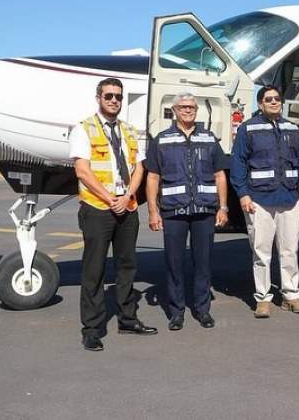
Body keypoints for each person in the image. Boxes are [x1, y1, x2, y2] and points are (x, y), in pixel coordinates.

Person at [70, 77, 157, 352]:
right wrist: (110, 199)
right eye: (108, 96)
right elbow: (82, 171)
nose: (114, 101)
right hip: (98, 209)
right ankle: (92, 329)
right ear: (98, 98)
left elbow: (139, 168)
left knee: (127, 266)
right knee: (94, 270)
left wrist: (129, 196)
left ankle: (128, 319)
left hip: (127, 208)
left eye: (118, 96)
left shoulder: (129, 131)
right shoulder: (83, 129)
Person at [145, 93, 229, 331]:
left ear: (197, 110)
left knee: (203, 263)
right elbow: (153, 177)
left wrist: (223, 207)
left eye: (192, 107)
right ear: (174, 110)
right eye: (183, 107)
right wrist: (153, 211)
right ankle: (176, 312)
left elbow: (220, 174)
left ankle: (203, 310)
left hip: (204, 210)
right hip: (173, 211)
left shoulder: (209, 138)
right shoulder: (161, 140)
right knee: (174, 263)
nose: (188, 110)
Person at [230, 85, 299, 318]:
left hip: (289, 198)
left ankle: (290, 296)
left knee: (289, 251)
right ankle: (263, 298)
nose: (274, 102)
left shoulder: (292, 128)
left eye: (277, 99)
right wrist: (243, 194)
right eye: (269, 99)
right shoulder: (248, 129)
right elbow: (238, 163)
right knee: (261, 252)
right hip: (259, 200)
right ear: (260, 104)